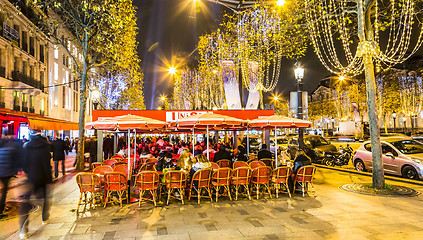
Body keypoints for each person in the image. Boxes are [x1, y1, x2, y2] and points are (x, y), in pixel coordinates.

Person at [19, 133, 52, 239]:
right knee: (46, 198)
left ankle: (23, 229)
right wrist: (49, 177)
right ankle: (45, 218)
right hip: (44, 177)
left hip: (31, 177)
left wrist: (29, 172)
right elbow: (47, 163)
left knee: (25, 203)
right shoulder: (45, 146)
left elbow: (23, 163)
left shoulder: (27, 146)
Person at [0, 136, 20, 218]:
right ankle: (1, 208)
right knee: (4, 190)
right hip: (5, 173)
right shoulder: (9, 149)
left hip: (3, 172)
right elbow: (13, 162)